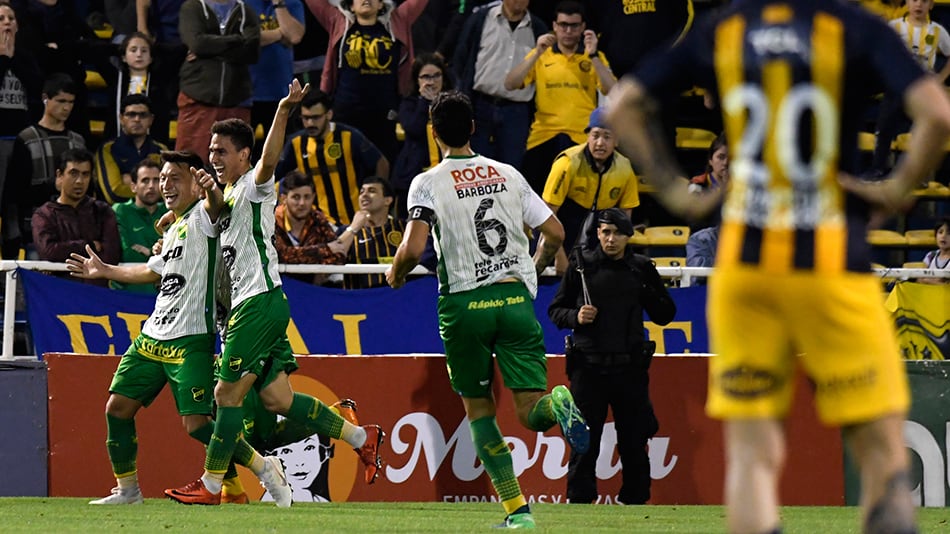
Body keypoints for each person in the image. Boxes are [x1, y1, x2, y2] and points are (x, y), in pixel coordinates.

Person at [605, 0, 950, 531]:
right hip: (832, 265)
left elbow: (622, 104)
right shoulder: (854, 27)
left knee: (752, 457)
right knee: (882, 454)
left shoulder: (725, 29)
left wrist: (675, 192)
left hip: (745, 270)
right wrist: (896, 189)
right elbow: (938, 114)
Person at [164, 80, 384, 507]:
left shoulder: (254, 184)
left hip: (256, 301)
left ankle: (212, 485)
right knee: (277, 398)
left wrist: (284, 110)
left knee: (225, 395)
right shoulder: (227, 195)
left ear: (243, 155)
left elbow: (269, 160)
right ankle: (361, 436)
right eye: (211, 151)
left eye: (221, 151)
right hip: (250, 308)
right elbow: (205, 220)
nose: (214, 157)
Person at [386, 90, 589, 529]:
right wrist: (534, 266)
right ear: (474, 128)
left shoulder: (427, 182)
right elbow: (555, 231)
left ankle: (518, 513)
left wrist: (397, 273)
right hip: (515, 300)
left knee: (480, 410)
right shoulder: (508, 174)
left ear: (434, 133)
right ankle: (558, 403)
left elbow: (413, 248)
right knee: (530, 411)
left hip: (465, 302)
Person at [67, 149, 290, 506]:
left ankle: (263, 466)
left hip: (190, 340)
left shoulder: (205, 216)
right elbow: (150, 270)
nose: (165, 185)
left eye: (174, 178)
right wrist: (106, 270)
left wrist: (210, 189)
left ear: (195, 183)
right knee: (117, 408)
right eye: (162, 179)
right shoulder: (174, 228)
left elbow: (217, 205)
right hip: (152, 336)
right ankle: (128, 490)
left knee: (197, 425)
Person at [548, 207, 675, 505]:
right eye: (605, 232)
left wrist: (646, 287)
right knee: (583, 441)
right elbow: (555, 310)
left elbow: (665, 314)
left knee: (634, 440)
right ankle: (580, 500)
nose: (610, 239)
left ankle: (635, 500)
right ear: (598, 234)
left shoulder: (641, 268)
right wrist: (576, 316)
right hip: (588, 367)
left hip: (629, 368)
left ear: (628, 236)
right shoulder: (581, 265)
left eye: (617, 233)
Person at [504, 1, 616, 194]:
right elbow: (510, 84)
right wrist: (536, 53)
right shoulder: (542, 54)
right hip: (543, 136)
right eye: (563, 25)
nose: (568, 31)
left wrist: (594, 56)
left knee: (577, 199)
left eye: (574, 26)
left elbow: (613, 89)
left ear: (582, 27)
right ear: (554, 26)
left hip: (581, 138)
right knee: (531, 196)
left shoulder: (592, 56)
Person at [305, 0, 429, 164]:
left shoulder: (398, 20)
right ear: (350, 6)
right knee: (346, 164)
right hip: (346, 112)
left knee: (384, 164)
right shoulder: (338, 21)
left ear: (381, 5)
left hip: (384, 113)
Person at [540, 106, 640, 273]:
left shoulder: (625, 169)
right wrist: (559, 258)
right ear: (587, 137)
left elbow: (624, 219)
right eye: (595, 136)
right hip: (561, 230)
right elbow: (546, 215)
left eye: (607, 137)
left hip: (598, 235)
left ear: (617, 141)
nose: (600, 143)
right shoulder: (567, 164)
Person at [452, 0, 548, 170]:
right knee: (475, 167)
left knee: (511, 169)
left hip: (517, 111)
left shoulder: (538, 27)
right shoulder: (481, 19)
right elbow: (461, 57)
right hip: (480, 105)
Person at [274, 89, 389, 229]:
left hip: (355, 219)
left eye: (316, 118)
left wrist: (377, 202)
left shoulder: (349, 136)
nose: (310, 123)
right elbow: (275, 175)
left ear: (329, 114)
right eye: (305, 118)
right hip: (319, 224)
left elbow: (381, 163)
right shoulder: (296, 143)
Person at [2, 73, 86, 259]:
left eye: (71, 102)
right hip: (35, 230)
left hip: (73, 231)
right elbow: (15, 192)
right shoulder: (27, 139)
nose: (66, 107)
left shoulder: (77, 141)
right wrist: (52, 186)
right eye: (61, 101)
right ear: (45, 99)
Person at [868, 0, 950, 176]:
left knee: (923, 134)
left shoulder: (937, 31)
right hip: (897, 88)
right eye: (914, 0)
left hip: (923, 92)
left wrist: (940, 79)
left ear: (931, 5)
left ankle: (920, 175)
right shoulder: (895, 26)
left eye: (924, 1)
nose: (918, 5)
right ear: (907, 3)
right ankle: (877, 170)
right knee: (884, 129)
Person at [175, 0, 260, 163]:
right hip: (198, 98)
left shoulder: (245, 11)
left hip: (236, 99)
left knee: (236, 165)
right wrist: (237, 40)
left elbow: (252, 52)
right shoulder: (192, 7)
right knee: (190, 163)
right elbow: (198, 44)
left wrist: (209, 51)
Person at [32, 148, 121, 287]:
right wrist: (90, 245)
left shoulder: (103, 211)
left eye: (85, 174)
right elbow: (49, 252)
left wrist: (65, 250)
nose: (80, 181)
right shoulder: (44, 215)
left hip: (97, 292)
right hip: (59, 291)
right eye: (73, 173)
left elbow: (111, 255)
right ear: (60, 175)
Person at [392, 52, 451, 217]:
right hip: (414, 171)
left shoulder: (453, 102)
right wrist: (424, 102)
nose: (431, 82)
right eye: (425, 77)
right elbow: (414, 129)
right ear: (416, 80)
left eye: (436, 75)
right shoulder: (408, 104)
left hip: (447, 172)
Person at [0, 0, 43, 221]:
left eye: (11, 18)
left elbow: (37, 88)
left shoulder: (25, 56)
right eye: (1, 19)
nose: (7, 22)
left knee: (17, 200)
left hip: (22, 138)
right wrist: (3, 60)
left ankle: (15, 239)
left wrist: (12, 59)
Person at [274, 170, 347, 285]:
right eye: (296, 197)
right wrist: (325, 249)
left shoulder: (318, 219)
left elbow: (339, 254)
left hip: (312, 287)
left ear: (313, 197)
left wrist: (320, 273)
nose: (302, 203)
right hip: (278, 287)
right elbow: (281, 255)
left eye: (307, 197)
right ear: (284, 199)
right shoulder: (272, 221)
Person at [94, 94, 169, 205]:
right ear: (121, 118)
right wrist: (152, 189)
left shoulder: (161, 150)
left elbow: (168, 190)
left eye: (143, 115)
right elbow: (113, 194)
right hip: (118, 213)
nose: (137, 119)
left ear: (151, 119)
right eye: (131, 115)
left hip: (155, 213)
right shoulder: (108, 149)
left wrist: (129, 181)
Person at [336, 176, 405, 289]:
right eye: (361, 192)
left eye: (372, 191)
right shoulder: (346, 231)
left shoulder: (403, 228)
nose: (364, 195)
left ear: (388, 200)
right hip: (359, 297)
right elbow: (332, 258)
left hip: (398, 295)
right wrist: (353, 228)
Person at [111, 158, 168, 293]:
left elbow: (175, 255)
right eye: (145, 180)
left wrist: (148, 252)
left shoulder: (168, 212)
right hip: (129, 293)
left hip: (163, 294)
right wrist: (157, 254)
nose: (151, 186)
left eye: (156, 180)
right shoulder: (120, 211)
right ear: (133, 187)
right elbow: (128, 255)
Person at [919, 216, 950, 284]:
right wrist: (938, 282)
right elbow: (920, 279)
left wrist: (928, 281)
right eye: (940, 232)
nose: (943, 236)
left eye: (949, 233)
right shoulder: (930, 256)